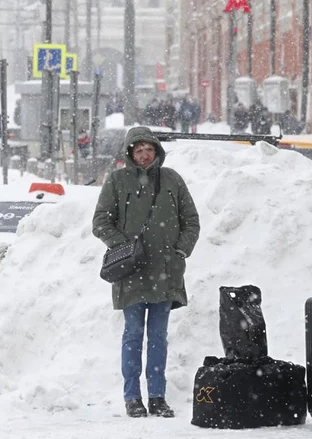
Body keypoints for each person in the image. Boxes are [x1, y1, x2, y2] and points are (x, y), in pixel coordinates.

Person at [92, 126, 201, 419]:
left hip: (165, 270)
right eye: (138, 150)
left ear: (156, 151)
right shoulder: (117, 180)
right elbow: (101, 221)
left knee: (158, 337)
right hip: (132, 272)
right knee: (133, 336)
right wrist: (124, 247)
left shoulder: (171, 180)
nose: (144, 155)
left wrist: (180, 250)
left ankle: (157, 397)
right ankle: (132, 398)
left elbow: (191, 221)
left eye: (148, 149)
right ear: (130, 153)